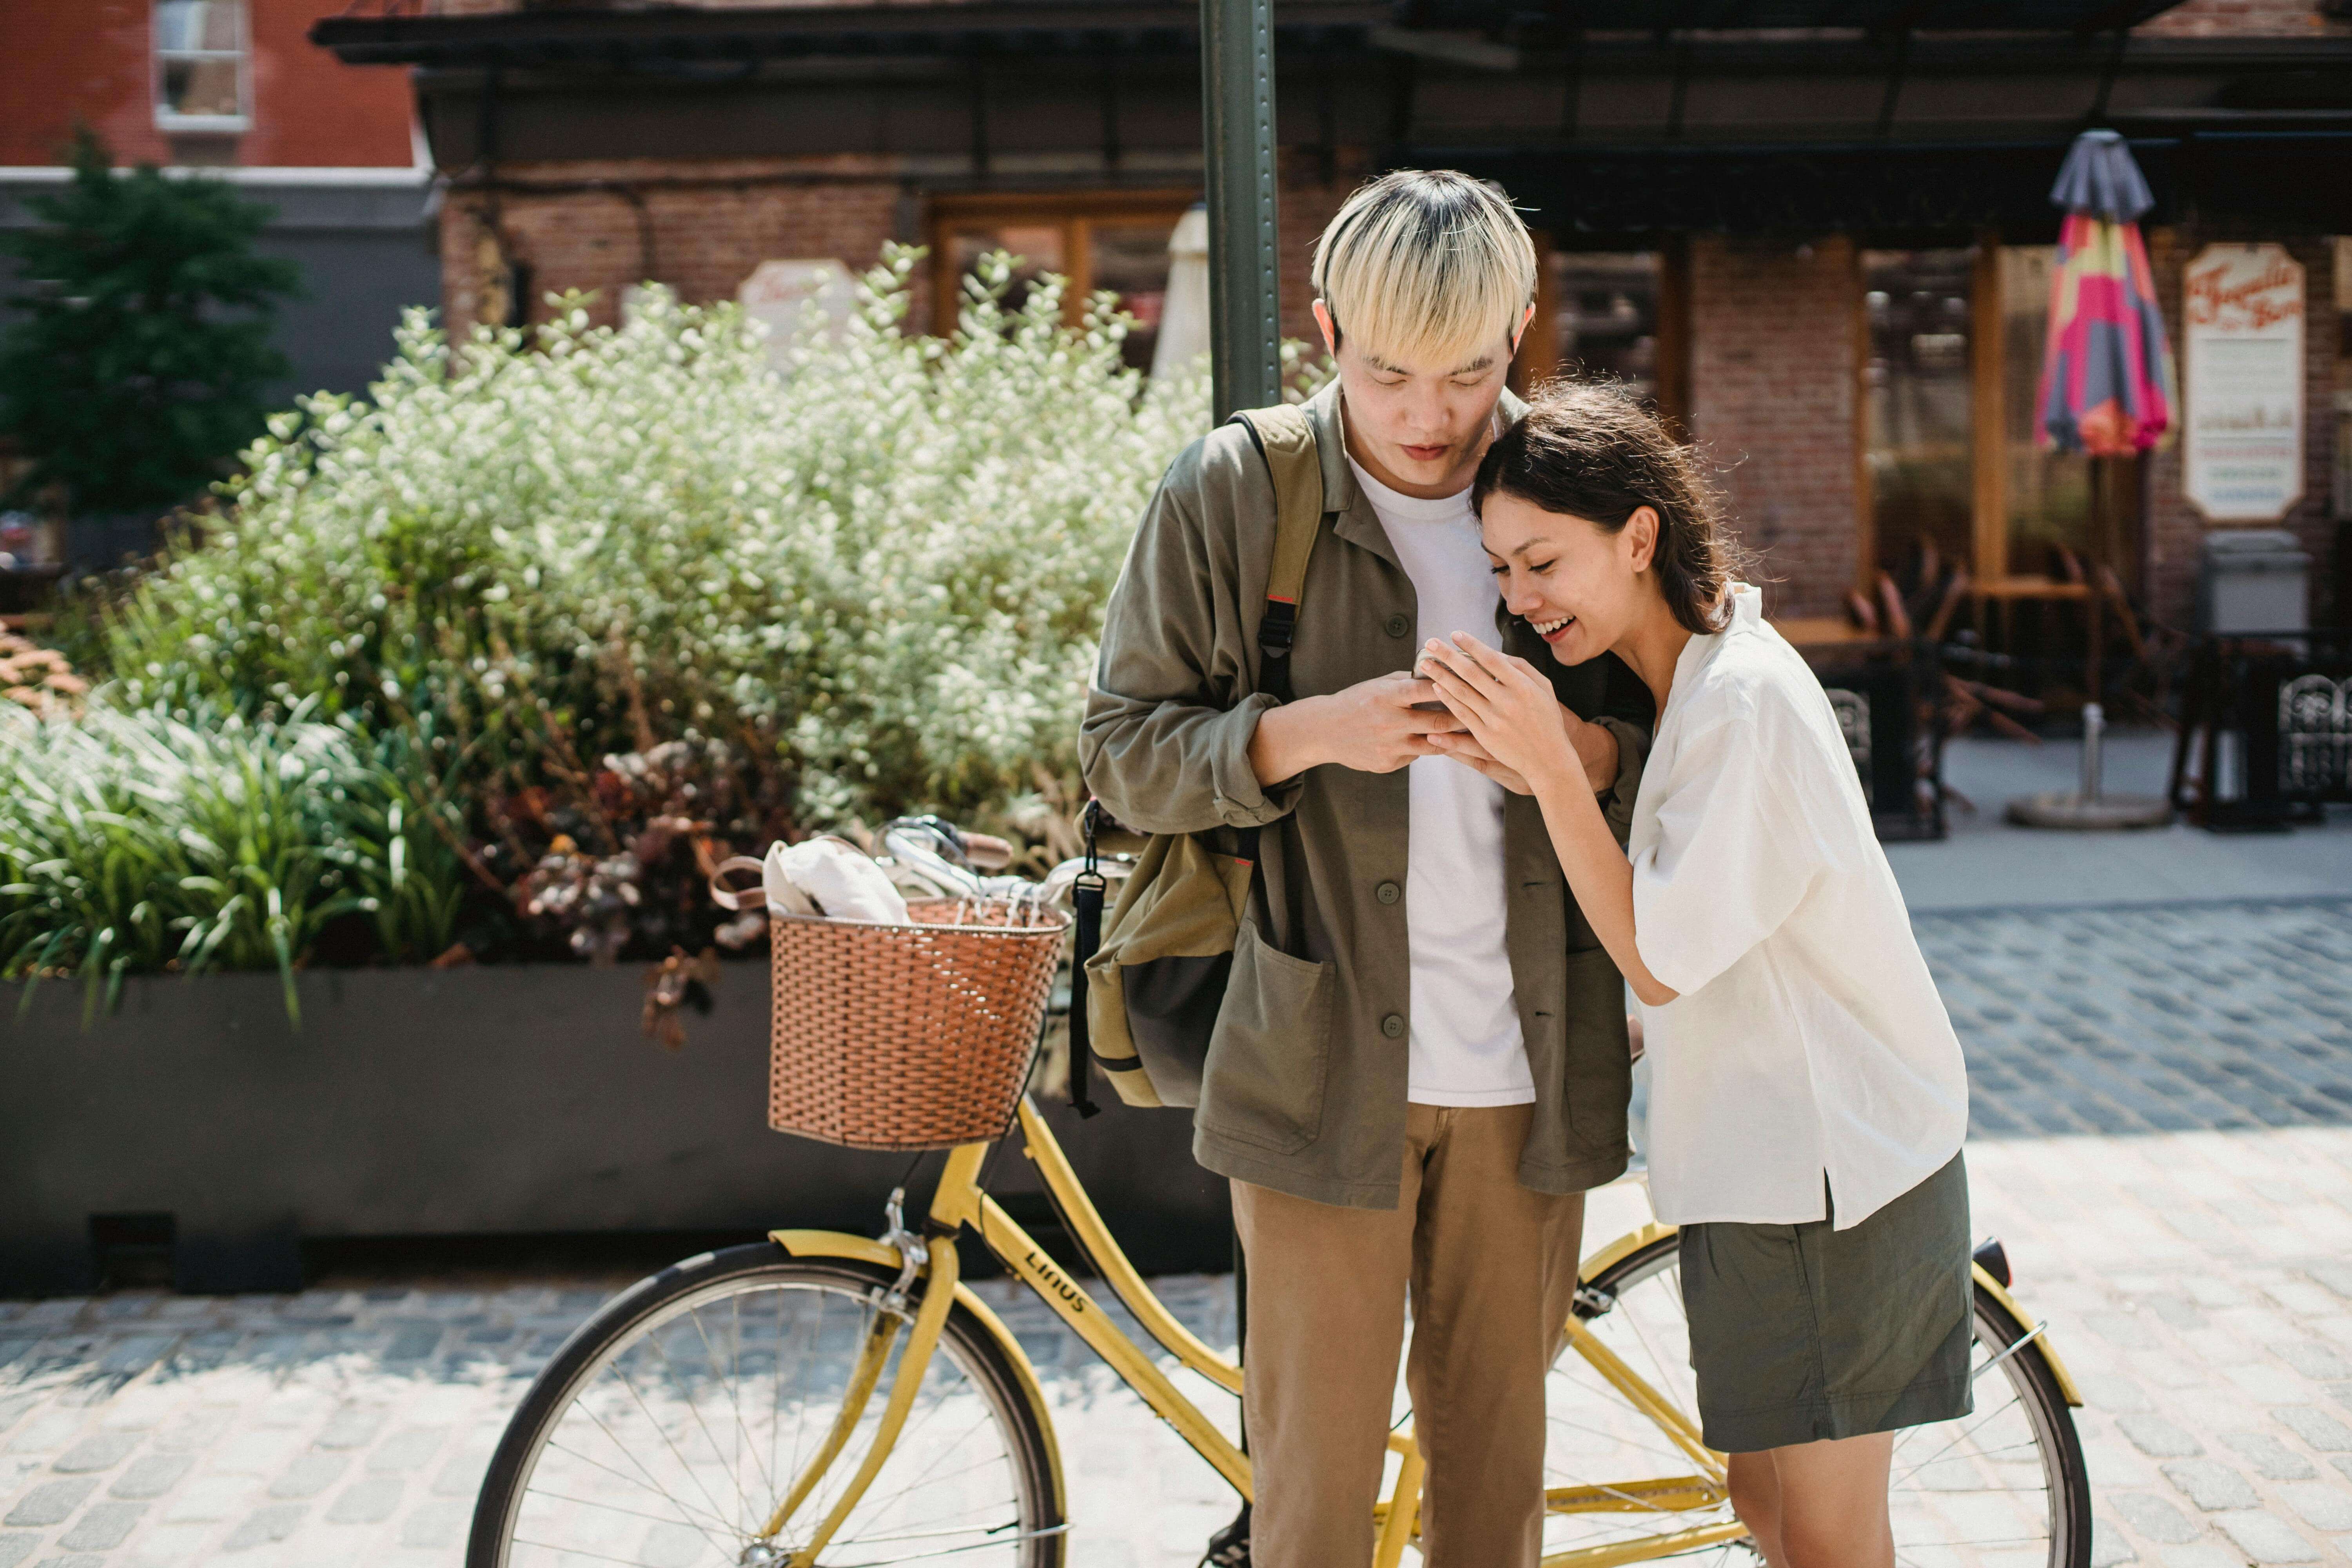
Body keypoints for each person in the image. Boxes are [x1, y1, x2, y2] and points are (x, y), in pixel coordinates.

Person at [1079, 171, 1655, 1567]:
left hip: (1530, 1072)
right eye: (1388, 372)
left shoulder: (1579, 482)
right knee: (1312, 1518)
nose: (1427, 417)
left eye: (1467, 373)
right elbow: (1119, 753)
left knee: (1492, 1520)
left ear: (1521, 326)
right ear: (1328, 327)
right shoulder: (1237, 489)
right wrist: (1301, 734)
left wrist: (1576, 753)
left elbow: (1684, 735)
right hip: (1316, 1067)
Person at [1415, 383, 1974, 1568]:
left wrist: (1552, 774)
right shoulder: (1696, 691)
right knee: (1771, 1516)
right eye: (1501, 571)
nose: (1521, 599)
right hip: (1760, 1174)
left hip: (1832, 1181)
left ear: (1639, 535)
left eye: (1542, 562)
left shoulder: (1746, 705)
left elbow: (1661, 959)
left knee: (1824, 1539)